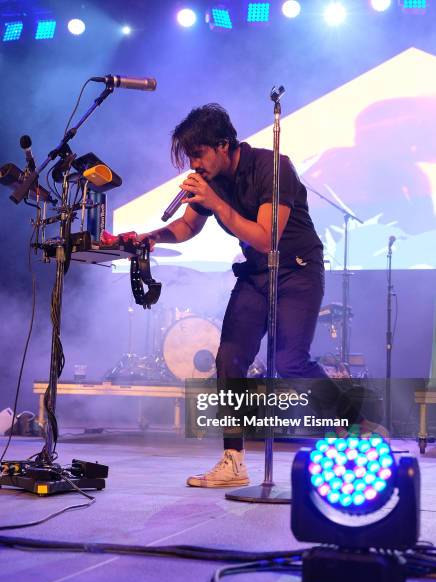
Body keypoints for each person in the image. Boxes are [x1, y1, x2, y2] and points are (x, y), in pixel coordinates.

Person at [103, 104, 382, 487]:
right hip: (255, 274)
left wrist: (217, 202)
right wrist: (153, 237)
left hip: (297, 269)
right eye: (190, 157)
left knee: (289, 359)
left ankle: (355, 423)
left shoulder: (272, 167)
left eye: (198, 154)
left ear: (222, 145)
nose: (194, 164)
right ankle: (233, 461)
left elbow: (267, 239)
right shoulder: (211, 181)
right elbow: (187, 227)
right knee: (229, 358)